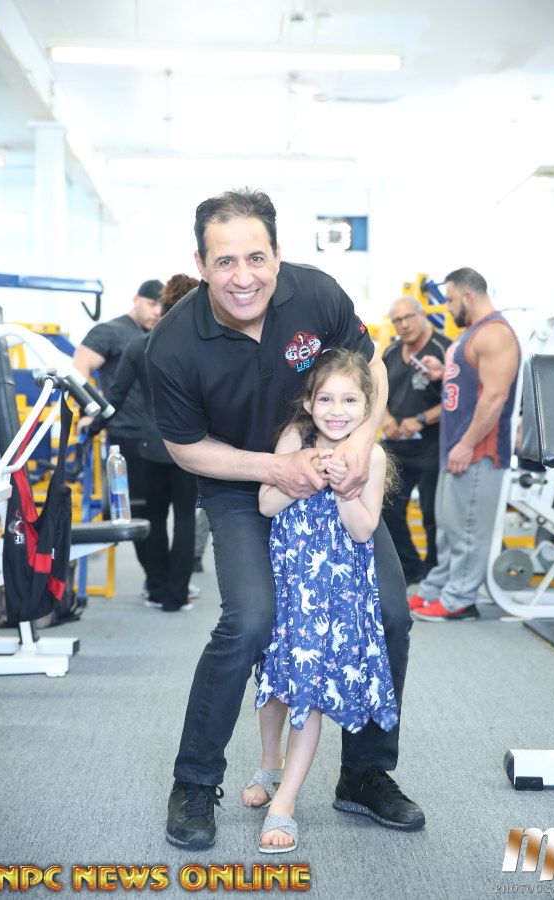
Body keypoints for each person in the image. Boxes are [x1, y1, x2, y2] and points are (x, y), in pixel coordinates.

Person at [146, 188, 424, 851]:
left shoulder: (316, 295)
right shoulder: (173, 344)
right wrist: (276, 469)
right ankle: (195, 781)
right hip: (242, 486)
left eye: (256, 258)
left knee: (390, 613)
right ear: (200, 263)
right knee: (251, 619)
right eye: (224, 261)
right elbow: (186, 448)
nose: (243, 277)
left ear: (277, 255)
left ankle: (364, 773)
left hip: (335, 479)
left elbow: (372, 368)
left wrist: (358, 447)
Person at [243, 349, 399, 853]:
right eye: (326, 399)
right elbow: (266, 504)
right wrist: (309, 471)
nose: (337, 410)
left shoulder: (372, 457)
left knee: (307, 688)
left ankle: (284, 803)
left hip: (332, 595)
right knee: (274, 681)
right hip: (289, 583)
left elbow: (363, 530)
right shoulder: (295, 438)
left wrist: (341, 486)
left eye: (350, 400)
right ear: (309, 403)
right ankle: (269, 764)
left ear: (367, 405)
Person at [409, 267, 520, 622]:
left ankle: (459, 600)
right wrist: (441, 372)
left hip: (478, 450)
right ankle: (439, 588)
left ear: (468, 296)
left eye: (452, 299)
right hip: (456, 446)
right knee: (448, 528)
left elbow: (496, 396)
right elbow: (471, 383)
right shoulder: (472, 333)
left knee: (468, 531)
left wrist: (468, 444)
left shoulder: (496, 334)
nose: (448, 306)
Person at [87, 274, 201, 612]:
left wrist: (93, 427)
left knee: (154, 517)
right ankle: (177, 596)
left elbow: (114, 397)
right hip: (192, 449)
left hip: (152, 446)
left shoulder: (139, 346)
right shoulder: (204, 347)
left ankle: (159, 589)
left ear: (163, 305)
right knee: (185, 519)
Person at [73, 280, 163, 576]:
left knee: (159, 512)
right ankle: (156, 579)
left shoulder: (159, 333)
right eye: (151, 304)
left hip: (157, 436)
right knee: (139, 510)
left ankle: (165, 581)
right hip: (126, 434)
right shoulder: (110, 331)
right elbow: (80, 365)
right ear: (136, 299)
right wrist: (90, 410)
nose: (156, 311)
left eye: (161, 306)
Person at [381, 296, 451, 584]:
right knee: (386, 508)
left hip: (433, 446)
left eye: (408, 317)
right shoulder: (391, 352)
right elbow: (377, 389)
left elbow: (457, 400)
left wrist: (421, 419)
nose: (404, 325)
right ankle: (410, 570)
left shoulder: (445, 350)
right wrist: (386, 418)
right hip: (397, 446)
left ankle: (435, 573)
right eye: (397, 320)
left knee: (433, 515)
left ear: (422, 315)